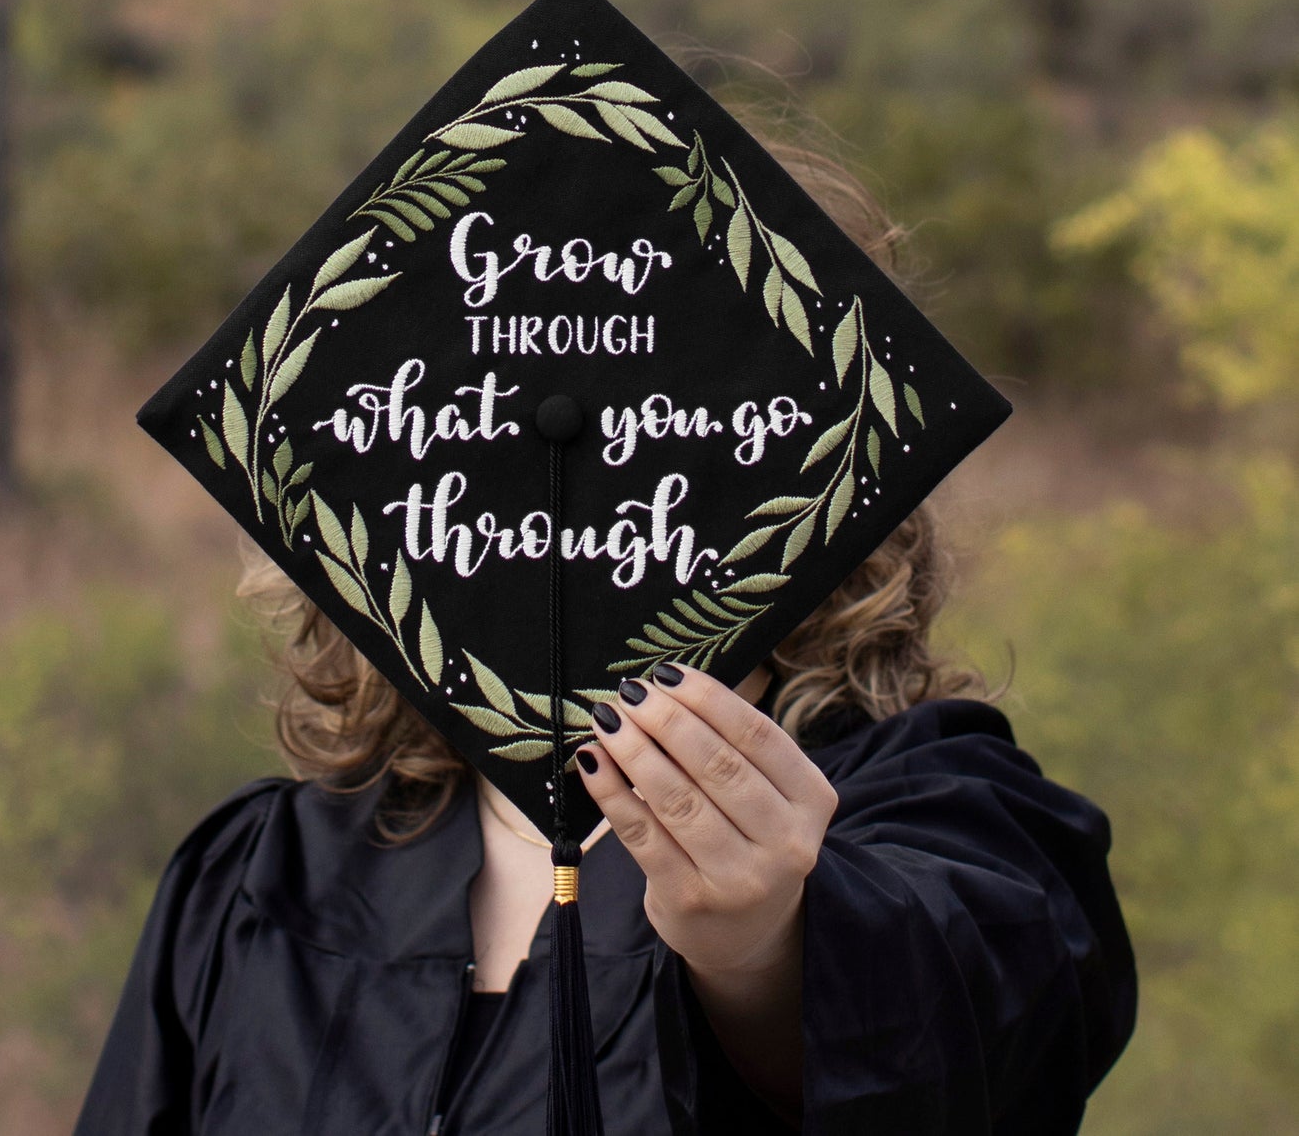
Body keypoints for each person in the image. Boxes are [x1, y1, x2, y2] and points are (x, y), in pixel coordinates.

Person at [73, 141, 1137, 1135]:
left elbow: (994, 1053)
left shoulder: (948, 823)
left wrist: (769, 946)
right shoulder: (257, 878)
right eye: (489, 390)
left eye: (665, 396)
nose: (571, 459)